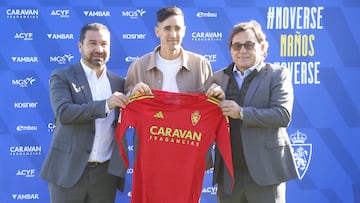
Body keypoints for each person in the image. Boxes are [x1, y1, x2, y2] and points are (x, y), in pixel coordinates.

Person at [211, 20, 300, 203]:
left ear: (262, 47)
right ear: (230, 49)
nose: (242, 50)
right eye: (237, 46)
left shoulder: (277, 74)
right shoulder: (217, 78)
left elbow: (282, 115)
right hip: (229, 177)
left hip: (266, 175)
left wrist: (242, 113)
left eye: (249, 45)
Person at [40, 22, 129, 203]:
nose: (99, 49)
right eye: (92, 43)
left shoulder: (119, 83)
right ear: (80, 46)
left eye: (104, 44)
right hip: (68, 172)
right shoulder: (62, 76)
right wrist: (106, 104)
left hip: (105, 176)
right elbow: (64, 113)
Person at [125, 6, 224, 99]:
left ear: (184, 31)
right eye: (167, 29)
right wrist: (132, 94)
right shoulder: (138, 67)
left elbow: (211, 104)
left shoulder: (201, 65)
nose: (173, 35)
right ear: (157, 31)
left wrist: (217, 94)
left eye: (177, 28)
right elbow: (126, 105)